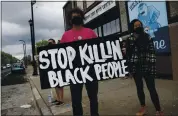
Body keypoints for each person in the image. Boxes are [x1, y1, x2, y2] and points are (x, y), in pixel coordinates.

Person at [60, 7, 99, 116]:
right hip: (74, 72)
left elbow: (98, 50)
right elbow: (61, 55)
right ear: (70, 20)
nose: (76, 18)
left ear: (82, 18)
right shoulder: (65, 35)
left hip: (90, 70)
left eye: (78, 16)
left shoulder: (90, 32)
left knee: (93, 98)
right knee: (76, 100)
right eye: (74, 17)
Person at [125, 19, 163, 116]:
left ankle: (158, 110)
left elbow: (152, 52)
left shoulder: (148, 37)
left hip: (148, 66)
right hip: (136, 68)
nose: (138, 27)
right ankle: (143, 107)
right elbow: (128, 55)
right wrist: (129, 69)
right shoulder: (129, 39)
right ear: (132, 28)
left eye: (139, 25)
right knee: (139, 88)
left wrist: (151, 65)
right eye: (136, 26)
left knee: (152, 88)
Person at [48, 38, 64, 106]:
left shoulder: (59, 49)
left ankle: (61, 100)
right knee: (55, 85)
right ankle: (58, 99)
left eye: (50, 43)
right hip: (53, 70)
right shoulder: (49, 51)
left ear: (54, 43)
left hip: (59, 70)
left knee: (60, 86)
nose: (49, 44)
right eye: (48, 43)